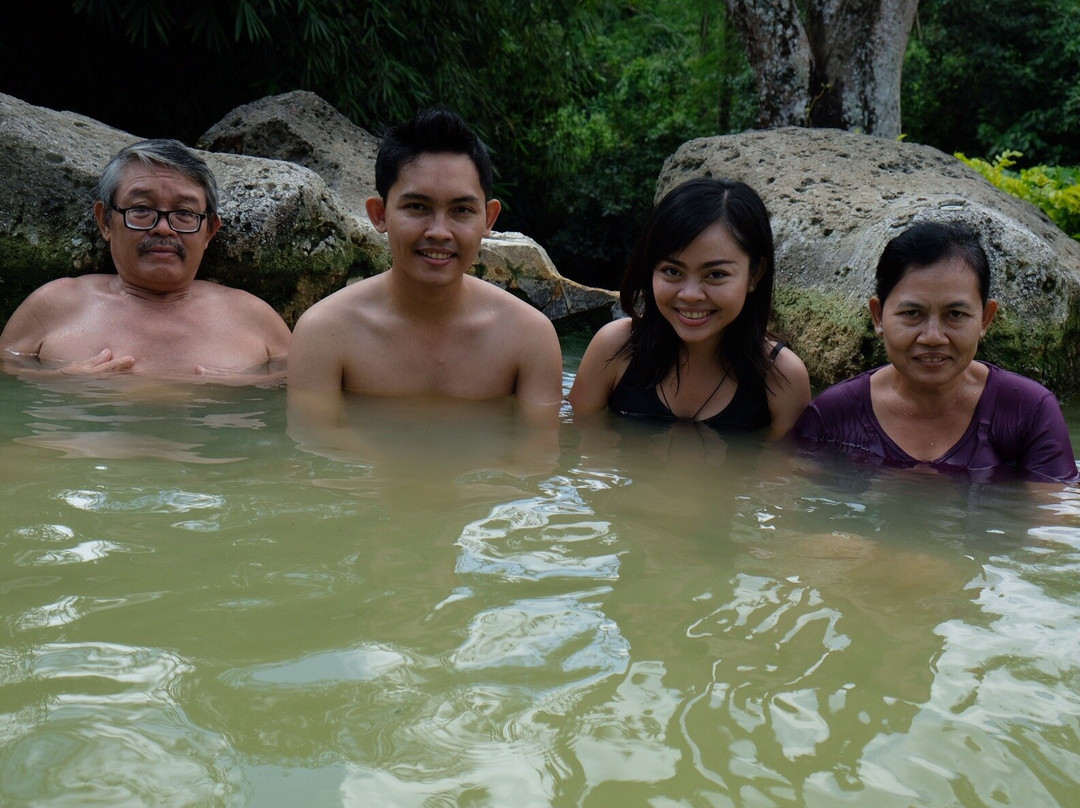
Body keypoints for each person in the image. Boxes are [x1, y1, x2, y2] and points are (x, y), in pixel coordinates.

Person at [287, 106, 563, 429]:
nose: (439, 232)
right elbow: (314, 457)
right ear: (379, 214)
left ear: (488, 219)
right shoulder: (325, 333)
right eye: (417, 207)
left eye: (461, 210)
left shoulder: (529, 338)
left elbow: (535, 458)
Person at [793, 219, 1078, 483]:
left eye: (955, 314)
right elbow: (800, 519)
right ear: (878, 316)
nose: (933, 337)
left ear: (985, 319)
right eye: (912, 313)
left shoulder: (1028, 412)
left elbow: (1052, 522)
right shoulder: (831, 419)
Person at [0, 139, 291, 379]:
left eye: (185, 213)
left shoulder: (255, 318)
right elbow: (7, 383)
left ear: (209, 231)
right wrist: (58, 379)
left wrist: (254, 388)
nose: (163, 228)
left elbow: (304, 396)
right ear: (105, 221)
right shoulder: (53, 305)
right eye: (141, 208)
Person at [568, 177, 810, 439]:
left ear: (754, 274)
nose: (691, 295)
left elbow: (782, 474)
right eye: (672, 271)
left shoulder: (782, 378)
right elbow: (579, 450)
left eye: (715, 274)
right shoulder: (615, 348)